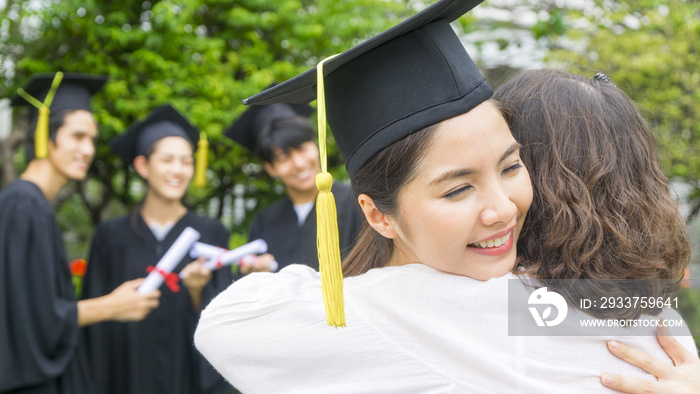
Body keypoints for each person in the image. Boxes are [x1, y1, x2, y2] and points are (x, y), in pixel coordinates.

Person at [195, 0, 698, 392]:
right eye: (457, 189)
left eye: (512, 165)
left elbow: (224, 322)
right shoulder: (632, 308)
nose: (502, 208)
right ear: (378, 215)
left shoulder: (408, 310)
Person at [0, 72, 160, 393]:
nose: (88, 149)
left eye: (92, 139)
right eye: (77, 136)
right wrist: (112, 306)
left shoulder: (34, 205)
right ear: (46, 134)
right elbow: (30, 318)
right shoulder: (22, 204)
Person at [80, 104, 232, 394]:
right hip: (123, 380)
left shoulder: (210, 233)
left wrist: (198, 291)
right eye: (167, 160)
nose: (178, 170)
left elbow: (223, 322)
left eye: (186, 161)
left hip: (189, 381)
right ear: (142, 166)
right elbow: (96, 330)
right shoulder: (110, 237)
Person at [225, 102, 362, 273]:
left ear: (315, 145)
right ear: (271, 168)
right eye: (284, 157)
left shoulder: (357, 204)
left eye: (302, 148)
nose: (298, 163)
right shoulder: (264, 222)